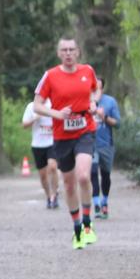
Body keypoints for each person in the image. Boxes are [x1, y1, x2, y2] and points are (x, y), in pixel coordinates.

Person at [33, 38, 99, 250]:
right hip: (61, 135)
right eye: (64, 50)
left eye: (72, 49)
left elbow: (95, 89)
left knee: (83, 176)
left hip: (85, 130)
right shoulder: (50, 76)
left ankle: (88, 225)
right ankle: (77, 228)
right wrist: (56, 114)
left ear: (78, 52)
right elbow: (37, 105)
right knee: (69, 183)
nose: (68, 53)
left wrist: (93, 102)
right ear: (59, 53)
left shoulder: (87, 70)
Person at [90, 77, 121, 219]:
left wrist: (104, 117)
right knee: (92, 171)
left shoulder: (110, 102)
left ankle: (104, 202)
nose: (95, 90)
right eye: (93, 88)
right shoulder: (85, 102)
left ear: (102, 89)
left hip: (106, 144)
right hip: (89, 143)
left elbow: (118, 123)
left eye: (98, 88)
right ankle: (95, 202)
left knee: (105, 175)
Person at [22, 98, 60, 208]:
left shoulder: (54, 104)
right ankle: (49, 196)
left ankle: (55, 194)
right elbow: (24, 125)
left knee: (53, 167)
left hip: (53, 142)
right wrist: (35, 118)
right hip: (38, 145)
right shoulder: (31, 106)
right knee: (43, 175)